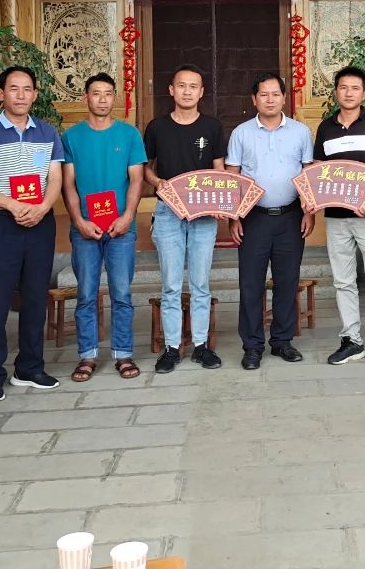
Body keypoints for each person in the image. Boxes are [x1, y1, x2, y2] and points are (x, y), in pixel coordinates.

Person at [0, 65, 64, 401]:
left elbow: (55, 178)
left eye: (27, 89)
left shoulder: (48, 133)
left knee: (36, 298)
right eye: (13, 89)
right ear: (0, 94)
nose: (21, 95)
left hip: (40, 222)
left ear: (35, 94)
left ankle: (30, 368)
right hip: (1, 223)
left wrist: (42, 207)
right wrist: (13, 206)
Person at [61, 73, 147, 382]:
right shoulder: (71, 137)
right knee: (86, 293)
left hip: (121, 228)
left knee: (121, 292)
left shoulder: (129, 135)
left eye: (108, 93)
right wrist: (79, 221)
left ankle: (123, 353)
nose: (102, 99)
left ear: (115, 98)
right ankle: (87, 355)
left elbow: (136, 180)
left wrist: (127, 217)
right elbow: (68, 185)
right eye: (96, 93)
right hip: (85, 229)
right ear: (86, 98)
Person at [226, 72, 315, 369]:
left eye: (275, 94)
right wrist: (234, 218)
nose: (270, 99)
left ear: (284, 97)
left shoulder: (301, 132)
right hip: (253, 218)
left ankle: (282, 341)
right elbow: (233, 176)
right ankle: (252, 346)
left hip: (291, 216)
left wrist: (309, 212)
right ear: (254, 99)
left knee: (287, 282)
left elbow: (308, 174)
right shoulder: (241, 133)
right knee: (250, 284)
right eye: (263, 94)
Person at [143, 64, 227, 372]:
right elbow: (146, 168)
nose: (187, 91)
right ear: (171, 90)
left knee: (201, 282)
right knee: (171, 284)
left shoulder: (212, 127)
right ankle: (171, 347)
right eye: (182, 85)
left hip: (203, 213)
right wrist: (157, 183)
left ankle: (202, 346)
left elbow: (219, 170)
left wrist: (219, 201)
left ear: (201, 92)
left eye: (193, 86)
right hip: (168, 212)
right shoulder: (157, 127)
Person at [313, 65, 365, 369]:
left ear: (364, 93)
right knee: (343, 281)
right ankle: (351, 341)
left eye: (355, 88)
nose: (349, 93)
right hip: (337, 218)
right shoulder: (325, 127)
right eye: (343, 87)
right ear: (336, 91)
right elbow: (318, 171)